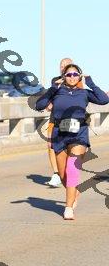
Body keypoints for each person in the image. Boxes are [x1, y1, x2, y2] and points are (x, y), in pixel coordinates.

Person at [36, 63, 109, 219]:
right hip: (59, 134)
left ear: (79, 76)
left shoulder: (84, 93)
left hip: (79, 134)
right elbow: (39, 105)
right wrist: (52, 89)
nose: (72, 77)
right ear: (64, 77)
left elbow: (104, 100)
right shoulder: (57, 92)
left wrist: (90, 82)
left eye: (75, 74)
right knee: (63, 174)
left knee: (72, 169)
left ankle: (68, 208)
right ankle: (73, 191)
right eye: (69, 74)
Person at [46, 57, 75, 187]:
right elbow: (51, 95)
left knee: (68, 147)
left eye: (66, 65)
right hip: (55, 118)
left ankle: (68, 172)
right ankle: (56, 174)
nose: (63, 67)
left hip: (70, 118)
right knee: (50, 144)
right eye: (61, 65)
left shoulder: (77, 81)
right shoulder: (55, 80)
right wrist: (49, 103)